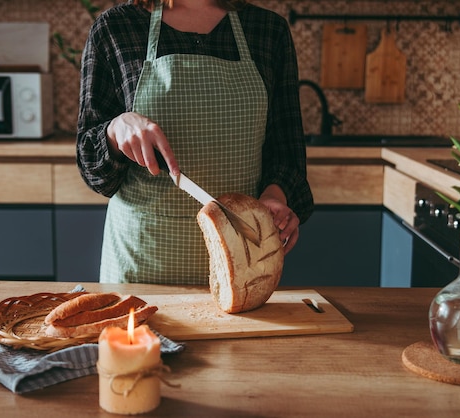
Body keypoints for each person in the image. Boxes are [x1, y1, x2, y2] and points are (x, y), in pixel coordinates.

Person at [76, 0, 313, 284]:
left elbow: (287, 151)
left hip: (243, 267)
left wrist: (275, 198)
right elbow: (91, 164)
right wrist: (116, 130)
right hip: (141, 265)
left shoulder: (267, 30)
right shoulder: (115, 28)